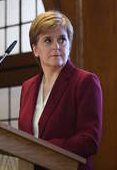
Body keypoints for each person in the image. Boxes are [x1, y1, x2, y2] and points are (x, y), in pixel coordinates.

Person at [18, 11, 103, 170]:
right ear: (35, 49)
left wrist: (40, 149)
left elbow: (89, 140)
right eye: (48, 40)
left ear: (69, 45)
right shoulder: (27, 87)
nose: (56, 46)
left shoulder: (85, 82)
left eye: (62, 39)